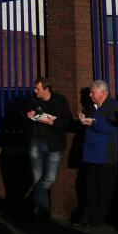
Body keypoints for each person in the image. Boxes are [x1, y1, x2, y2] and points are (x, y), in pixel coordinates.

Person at [72, 79, 118, 229]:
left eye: (92, 92)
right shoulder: (91, 107)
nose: (90, 95)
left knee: (104, 189)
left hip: (106, 156)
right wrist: (83, 120)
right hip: (91, 154)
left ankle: (97, 218)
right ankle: (86, 216)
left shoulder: (113, 106)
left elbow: (114, 128)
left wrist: (94, 123)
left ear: (103, 93)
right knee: (90, 189)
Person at [24, 77, 71, 219]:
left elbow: (67, 121)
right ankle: (42, 212)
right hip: (35, 143)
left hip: (54, 143)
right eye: (35, 88)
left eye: (38, 88)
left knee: (49, 178)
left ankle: (32, 199)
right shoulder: (32, 100)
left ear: (47, 89)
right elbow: (23, 116)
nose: (35, 91)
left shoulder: (60, 101)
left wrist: (53, 123)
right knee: (37, 177)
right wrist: (27, 115)